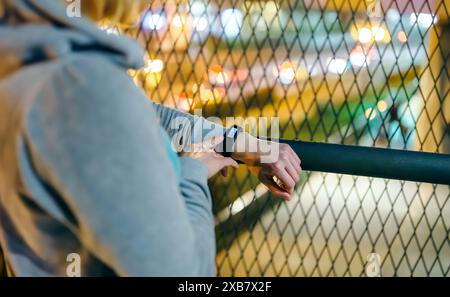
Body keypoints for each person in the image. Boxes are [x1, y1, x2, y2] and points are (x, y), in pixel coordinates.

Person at [0, 0, 301, 276]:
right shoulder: (78, 85)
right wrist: (193, 173)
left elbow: (147, 116)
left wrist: (236, 143)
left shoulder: (29, 60)